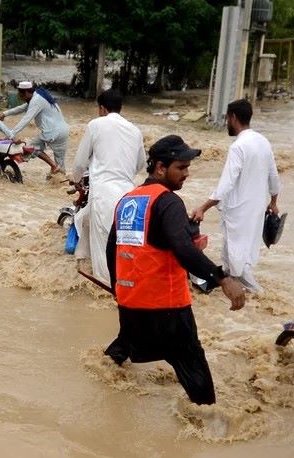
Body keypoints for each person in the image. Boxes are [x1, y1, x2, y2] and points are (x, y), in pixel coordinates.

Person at [104, 135, 248, 405]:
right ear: (160, 168)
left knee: (126, 343)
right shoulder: (168, 202)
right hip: (166, 309)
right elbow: (183, 249)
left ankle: (103, 376)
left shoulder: (127, 200)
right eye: (180, 167)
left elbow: (112, 248)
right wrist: (222, 278)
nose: (186, 174)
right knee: (194, 370)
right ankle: (209, 423)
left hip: (131, 304)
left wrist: (117, 289)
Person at [190, 99, 280, 292]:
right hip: (256, 209)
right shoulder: (263, 141)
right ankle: (232, 292)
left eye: (227, 119)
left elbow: (225, 184)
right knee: (241, 255)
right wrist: (273, 202)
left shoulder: (238, 147)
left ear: (233, 117)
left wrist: (202, 208)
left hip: (238, 211)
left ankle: (255, 293)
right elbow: (274, 175)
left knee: (237, 261)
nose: (226, 124)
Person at [72, 88, 145, 283]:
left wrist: (76, 178)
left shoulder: (96, 125)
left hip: (103, 193)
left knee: (103, 245)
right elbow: (140, 164)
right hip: (130, 195)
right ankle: (83, 258)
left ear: (102, 108)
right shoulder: (135, 130)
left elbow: (80, 163)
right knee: (125, 243)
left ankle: (107, 287)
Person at [2, 80, 69, 177]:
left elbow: (26, 119)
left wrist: (11, 134)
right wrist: (4, 114)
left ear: (26, 92)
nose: (20, 97)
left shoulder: (36, 101)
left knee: (32, 148)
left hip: (52, 132)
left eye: (20, 95)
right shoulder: (38, 95)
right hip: (63, 131)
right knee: (60, 166)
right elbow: (22, 108)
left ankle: (53, 165)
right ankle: (60, 186)